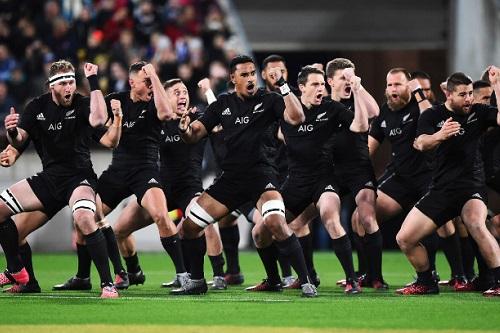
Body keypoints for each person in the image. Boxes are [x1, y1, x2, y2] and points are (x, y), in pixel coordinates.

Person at [173, 55, 316, 297]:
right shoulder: (222, 104)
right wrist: (184, 129)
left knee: (275, 223)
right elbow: (195, 134)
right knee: (188, 228)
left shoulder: (270, 99)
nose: (251, 79)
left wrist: (282, 86)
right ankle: (197, 281)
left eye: (253, 74)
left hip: (262, 176)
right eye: (244, 74)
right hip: (231, 180)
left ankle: (306, 282)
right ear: (233, 78)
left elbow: (297, 117)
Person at [54, 61, 191, 291]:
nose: (149, 85)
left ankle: (183, 275)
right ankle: (87, 276)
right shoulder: (117, 99)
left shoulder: (156, 102)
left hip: (145, 170)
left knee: (160, 215)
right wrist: (94, 81)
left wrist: (154, 75)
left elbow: (167, 114)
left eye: (151, 82)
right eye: (145, 81)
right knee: (84, 217)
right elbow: (96, 120)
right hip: (118, 171)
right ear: (131, 83)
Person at [0, 60, 118, 298]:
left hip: (79, 178)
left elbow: (98, 120)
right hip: (49, 180)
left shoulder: (83, 103)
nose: (69, 87)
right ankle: (22, 275)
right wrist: (12, 132)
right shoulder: (36, 107)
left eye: (72, 81)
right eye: (64, 82)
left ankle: (108, 284)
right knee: (5, 216)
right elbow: (20, 139)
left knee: (85, 219)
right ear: (51, 86)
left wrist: (93, 81)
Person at [114, 78, 227, 291]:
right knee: (119, 229)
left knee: (203, 221)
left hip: (189, 188)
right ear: (163, 98)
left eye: (185, 91)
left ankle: (219, 275)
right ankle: (134, 271)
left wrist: (208, 91)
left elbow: (219, 121)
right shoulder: (156, 121)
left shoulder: (197, 118)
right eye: (176, 92)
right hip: (160, 190)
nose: (183, 95)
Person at [396, 70, 500, 297]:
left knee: (475, 223)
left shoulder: (479, 112)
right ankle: (426, 281)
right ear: (449, 95)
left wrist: (497, 85)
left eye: (471, 93)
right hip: (441, 190)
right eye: (463, 94)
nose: (469, 99)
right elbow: (421, 143)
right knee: (404, 239)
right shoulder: (432, 116)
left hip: (471, 187)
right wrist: (439, 136)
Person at [278, 65, 368, 294]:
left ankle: (352, 279)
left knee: (330, 215)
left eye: (322, 84)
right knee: (267, 227)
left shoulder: (331, 108)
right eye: (315, 85)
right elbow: (274, 134)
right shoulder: (284, 111)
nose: (321, 89)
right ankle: (301, 276)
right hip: (296, 181)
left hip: (323, 178)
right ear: (301, 88)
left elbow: (361, 126)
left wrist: (357, 91)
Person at [367, 68, 443, 286]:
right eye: (389, 85)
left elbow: (433, 120)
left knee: (442, 226)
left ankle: (456, 275)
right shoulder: (386, 111)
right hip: (400, 178)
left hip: (428, 176)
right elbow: (369, 148)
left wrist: (419, 93)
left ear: (409, 86)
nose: (393, 89)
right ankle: (372, 276)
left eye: (398, 84)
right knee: (362, 216)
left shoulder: (420, 106)